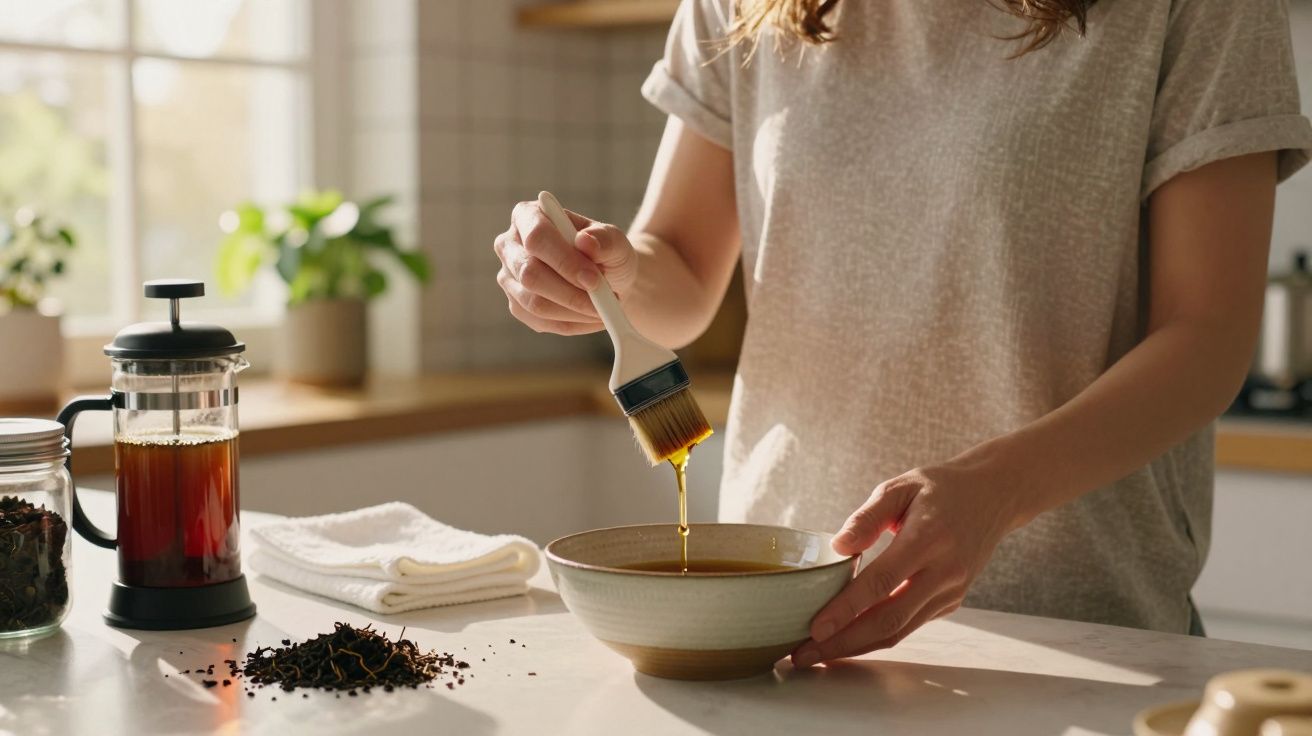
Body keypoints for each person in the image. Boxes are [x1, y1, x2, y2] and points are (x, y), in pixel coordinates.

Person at [493, 0, 1312, 668]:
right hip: (774, 626)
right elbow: (678, 268)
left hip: (1076, 638)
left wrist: (997, 490)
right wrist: (617, 274)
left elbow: (1207, 335)